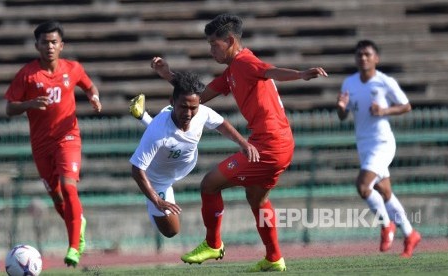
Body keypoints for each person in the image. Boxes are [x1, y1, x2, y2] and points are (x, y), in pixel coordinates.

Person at [151, 13, 327, 272]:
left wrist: (301, 74)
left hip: (269, 145)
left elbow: (269, 71)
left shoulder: (245, 62)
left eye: (214, 44)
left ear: (230, 40)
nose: (211, 51)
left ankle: (213, 243)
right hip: (278, 143)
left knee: (209, 184)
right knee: (257, 200)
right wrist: (169, 75)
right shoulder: (232, 71)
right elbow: (198, 96)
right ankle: (274, 257)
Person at [4, 20, 102, 267]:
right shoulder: (27, 75)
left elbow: (89, 86)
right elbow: (9, 107)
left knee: (68, 187)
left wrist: (94, 98)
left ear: (61, 45)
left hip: (67, 137)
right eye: (45, 42)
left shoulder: (73, 68)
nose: (49, 46)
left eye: (54, 42)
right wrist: (29, 104)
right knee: (57, 197)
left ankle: (73, 246)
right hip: (40, 145)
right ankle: (78, 222)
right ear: (37, 45)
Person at [129, 71, 259, 239]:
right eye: (183, 107)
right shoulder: (157, 133)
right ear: (172, 102)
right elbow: (136, 169)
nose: (189, 113)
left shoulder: (202, 112)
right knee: (171, 231)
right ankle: (143, 116)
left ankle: (142, 115)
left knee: (169, 139)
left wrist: (243, 143)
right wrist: (156, 200)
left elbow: (221, 124)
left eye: (193, 108)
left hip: (183, 164)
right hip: (158, 180)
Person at [336, 39, 421, 258]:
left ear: (376, 58)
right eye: (359, 55)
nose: (363, 58)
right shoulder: (349, 83)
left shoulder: (385, 82)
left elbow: (406, 105)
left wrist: (384, 111)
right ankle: (410, 234)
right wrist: (341, 109)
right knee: (384, 192)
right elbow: (343, 116)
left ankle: (386, 226)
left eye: (367, 54)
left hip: (382, 143)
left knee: (363, 187)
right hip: (363, 144)